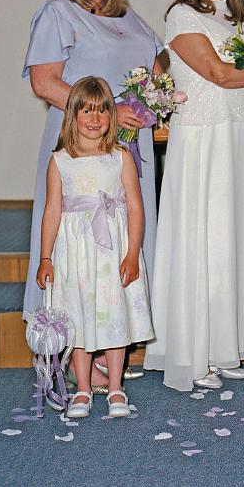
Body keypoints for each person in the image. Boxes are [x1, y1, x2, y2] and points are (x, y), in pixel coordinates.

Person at [22, 0, 162, 382]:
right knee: (77, 244)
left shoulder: (130, 16)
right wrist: (108, 110)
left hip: (127, 147)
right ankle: (68, 346)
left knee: (122, 241)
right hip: (81, 148)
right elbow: (44, 81)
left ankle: (108, 347)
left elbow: (156, 64)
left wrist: (156, 99)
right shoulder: (58, 14)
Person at [144, 0, 244, 392]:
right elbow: (219, 74)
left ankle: (222, 347)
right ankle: (191, 353)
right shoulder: (182, 16)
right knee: (201, 241)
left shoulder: (234, 16)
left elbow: (242, 71)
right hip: (202, 142)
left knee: (229, 242)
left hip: (236, 137)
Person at [36, 77, 154, 418]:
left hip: (112, 253)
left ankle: (115, 387)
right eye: (86, 110)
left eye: (102, 110)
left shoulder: (120, 157)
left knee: (113, 316)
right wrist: (46, 258)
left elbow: (134, 206)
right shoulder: (60, 160)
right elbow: (52, 210)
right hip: (74, 255)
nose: (95, 117)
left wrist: (132, 253)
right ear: (72, 115)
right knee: (78, 316)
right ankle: (84, 389)